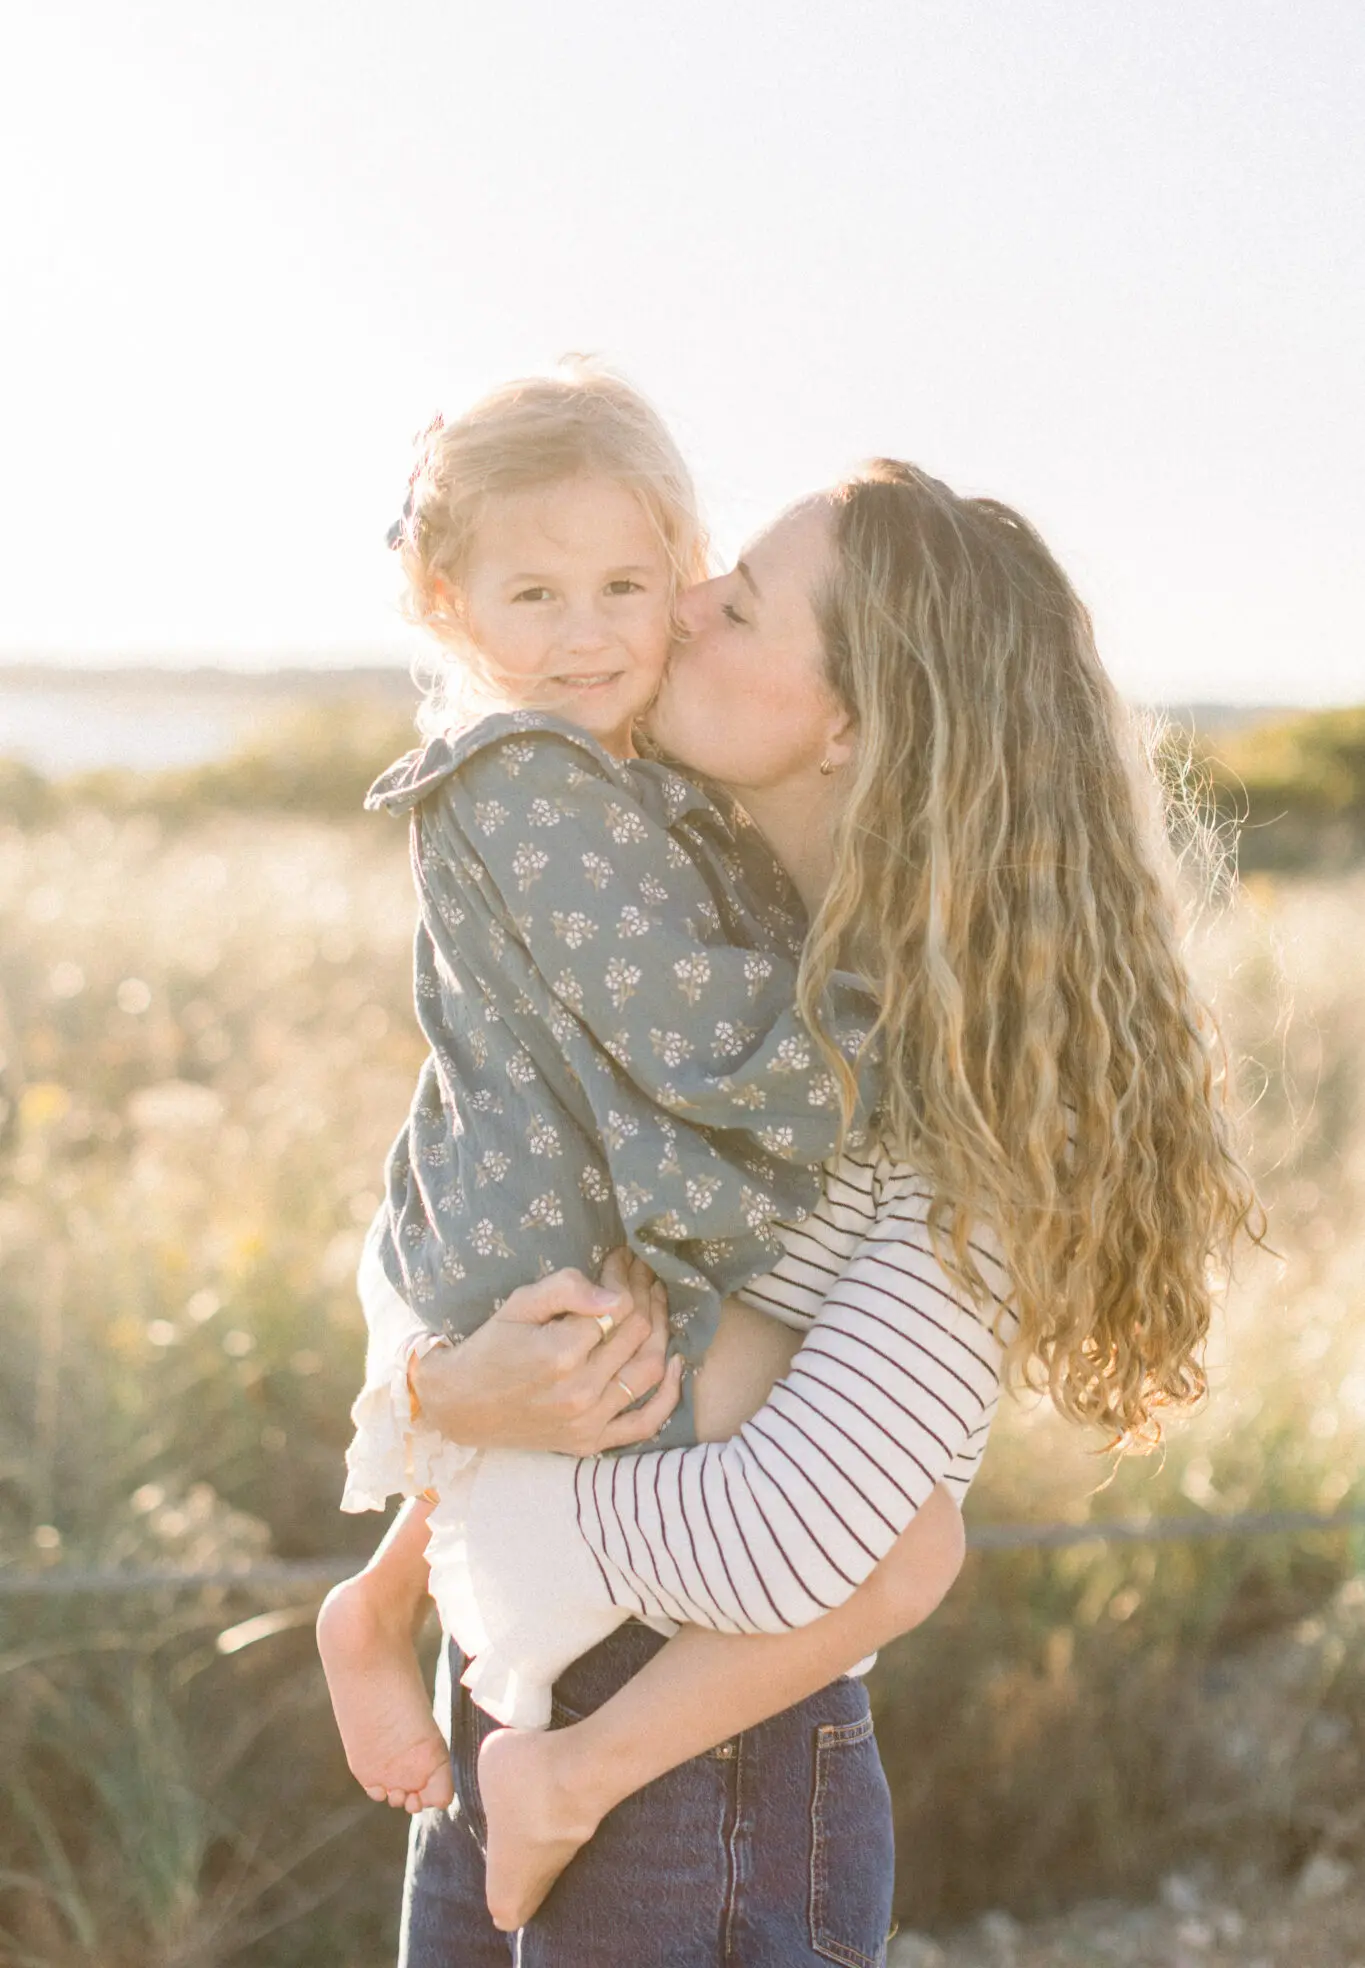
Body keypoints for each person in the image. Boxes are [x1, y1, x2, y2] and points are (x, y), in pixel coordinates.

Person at [393, 461, 1262, 1963]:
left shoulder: (969, 1095)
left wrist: (493, 1494)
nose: (678, 606)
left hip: (695, 1791)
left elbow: (799, 1540)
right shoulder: (699, 950)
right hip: (516, 1709)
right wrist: (438, 1393)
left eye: (736, 605)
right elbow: (500, 1255)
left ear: (851, 719)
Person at [316, 371, 967, 1871]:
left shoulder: (623, 767)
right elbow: (684, 1027)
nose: (590, 633)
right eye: (532, 593)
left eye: (630, 586)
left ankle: (396, 1610)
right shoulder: (533, 776)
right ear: (447, 601)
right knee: (901, 1539)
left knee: (894, 1526)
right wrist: (887, 1025)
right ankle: (516, 1712)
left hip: (542, 1199)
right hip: (536, 1226)